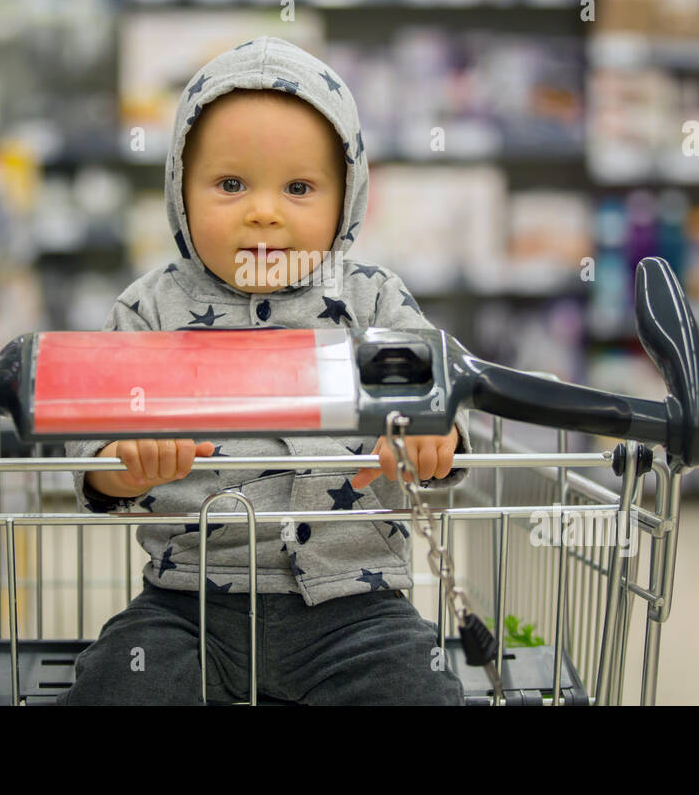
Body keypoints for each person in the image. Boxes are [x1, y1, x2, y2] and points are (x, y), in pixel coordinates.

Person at [58, 35, 472, 705]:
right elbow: (90, 442)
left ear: (348, 198)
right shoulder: (151, 307)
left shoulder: (372, 300)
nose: (264, 210)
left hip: (359, 608)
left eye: (300, 188)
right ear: (179, 192)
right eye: (229, 184)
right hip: (185, 606)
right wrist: (116, 465)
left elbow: (439, 406)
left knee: (417, 688)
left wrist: (431, 443)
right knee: (119, 681)